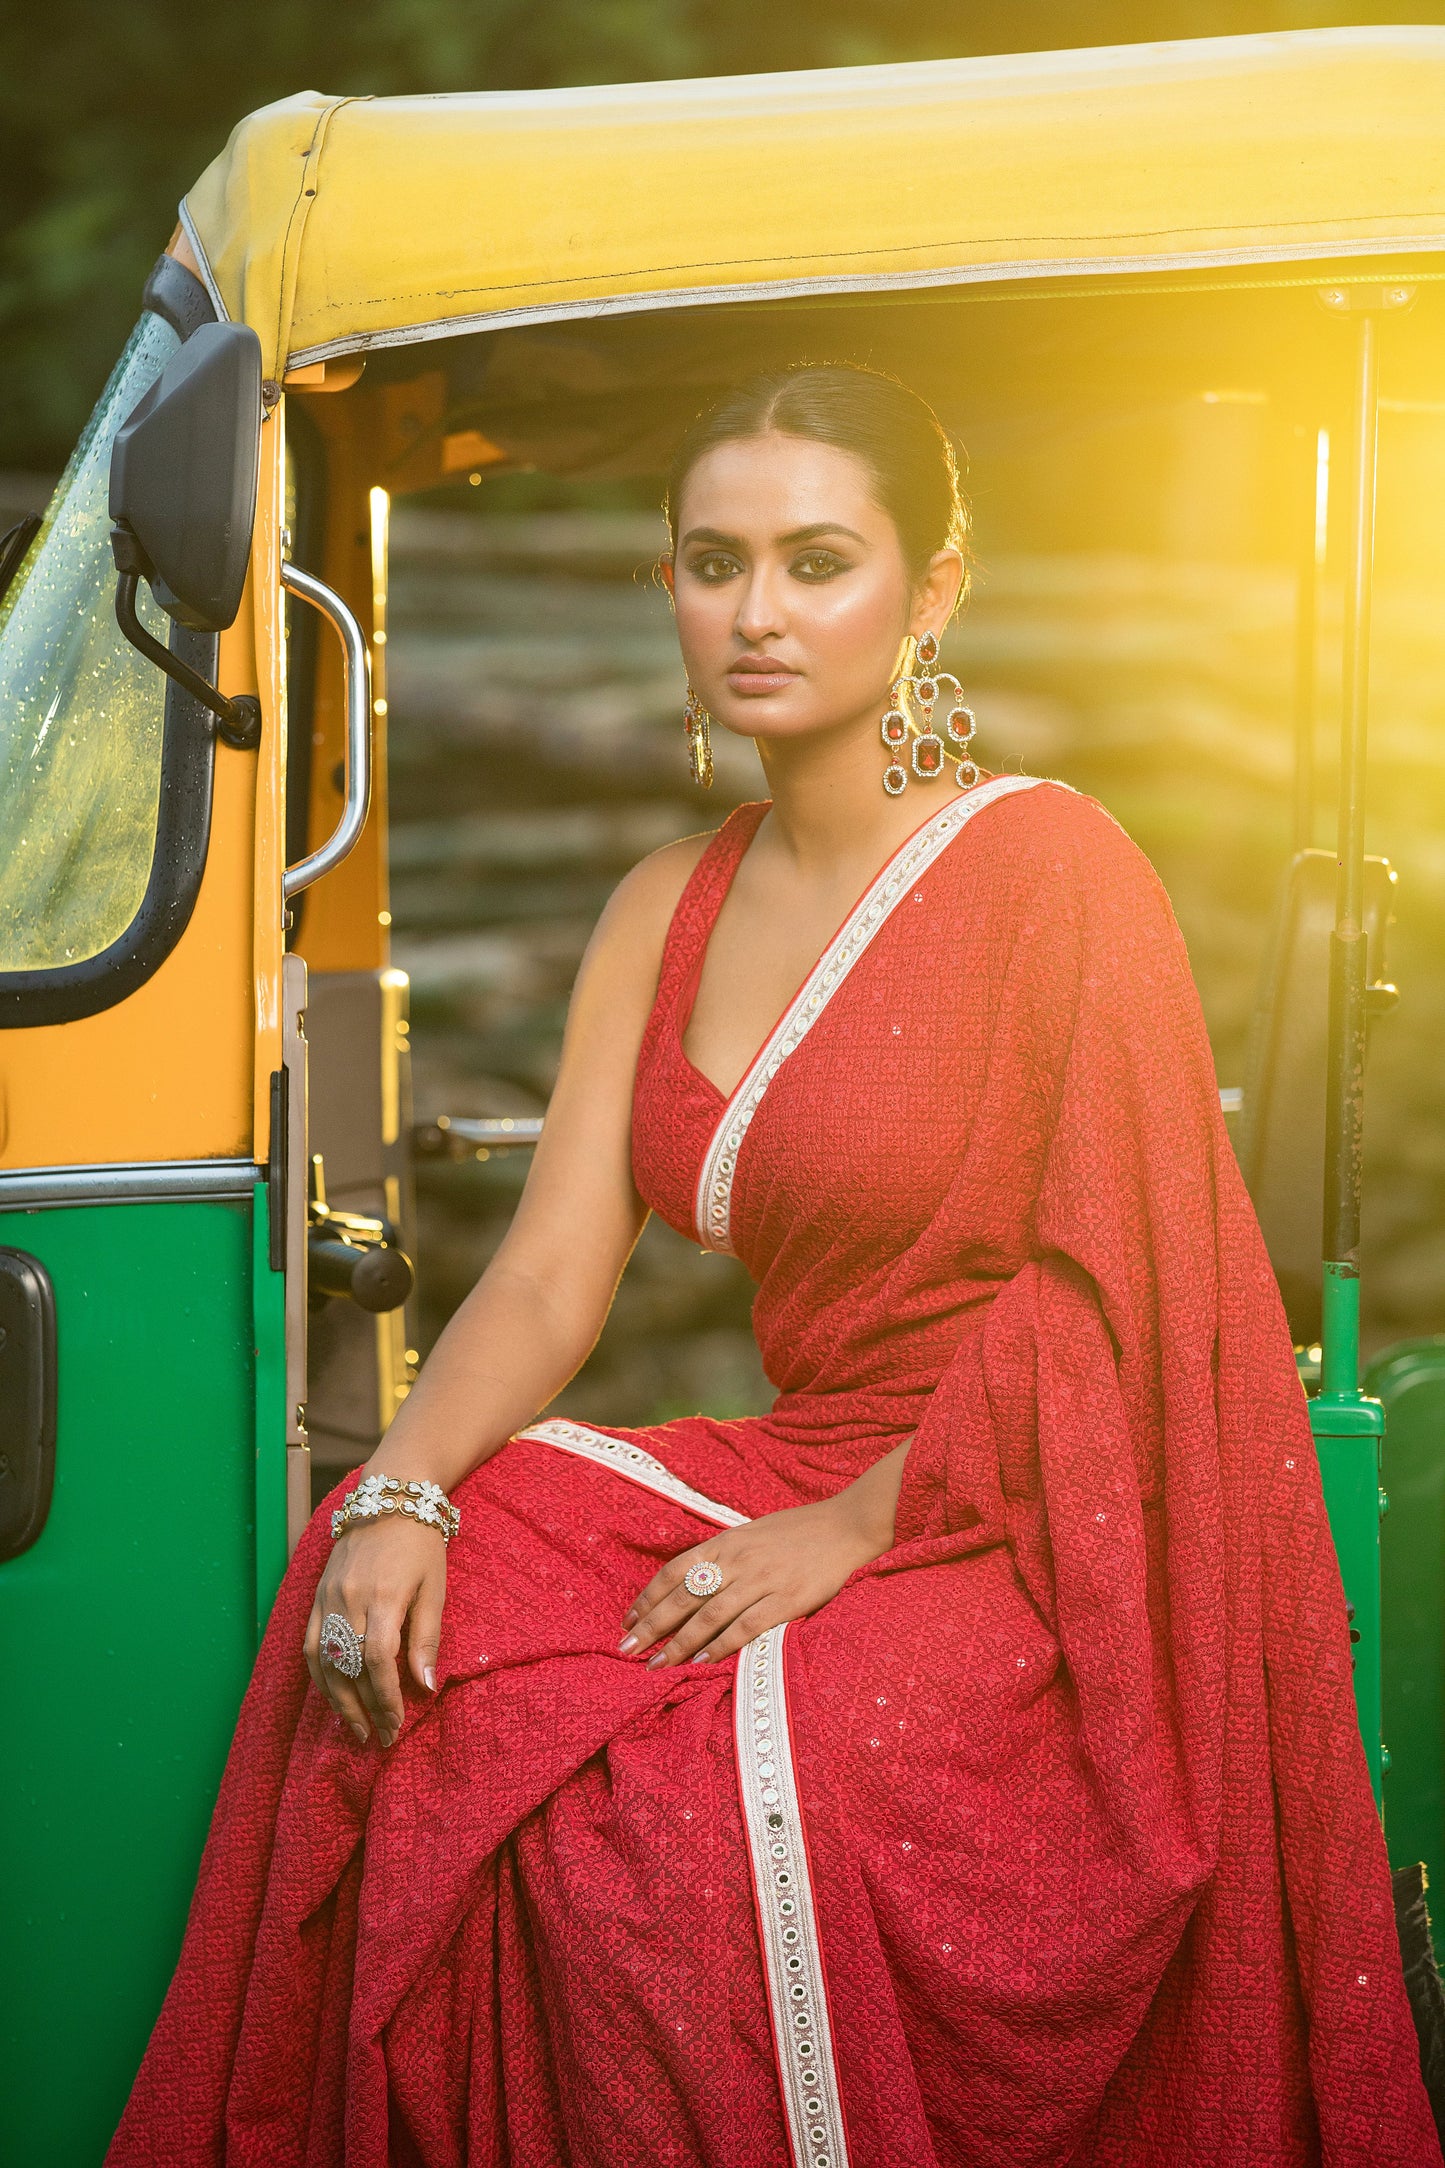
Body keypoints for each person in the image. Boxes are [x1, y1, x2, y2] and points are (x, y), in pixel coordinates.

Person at [108, 363, 1438, 2168]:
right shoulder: (668, 898)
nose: (754, 611)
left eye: (817, 560)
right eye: (709, 560)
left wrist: (859, 1530)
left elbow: (1120, 1304)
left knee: (681, 1810)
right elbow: (551, 1277)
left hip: (1029, 1501)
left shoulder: (1050, 870)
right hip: (820, 1453)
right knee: (399, 1624)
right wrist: (400, 1494)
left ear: (931, 592)